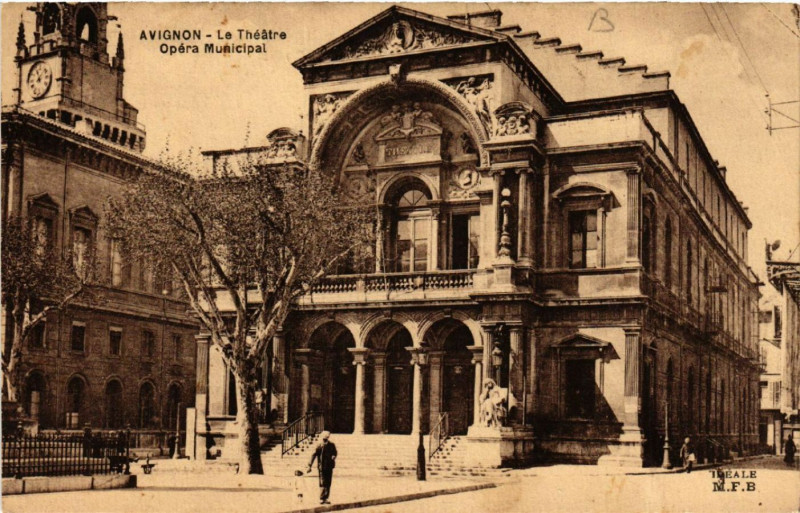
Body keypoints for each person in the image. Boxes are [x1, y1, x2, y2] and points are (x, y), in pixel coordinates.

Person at [307, 431, 337, 504]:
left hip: (329, 466)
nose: (325, 440)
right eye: (324, 438)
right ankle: (322, 497)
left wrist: (334, 456)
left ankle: (326, 497)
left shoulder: (332, 445)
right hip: (322, 467)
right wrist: (309, 465)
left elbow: (335, 452)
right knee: (322, 482)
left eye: (326, 438)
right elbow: (313, 455)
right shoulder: (319, 445)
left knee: (328, 482)